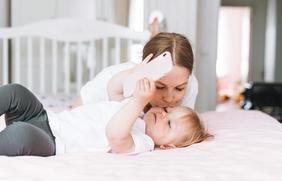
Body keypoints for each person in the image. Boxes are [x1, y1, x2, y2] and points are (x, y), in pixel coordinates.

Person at [0, 80, 210, 156]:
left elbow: (115, 135)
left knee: (21, 134)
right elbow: (116, 86)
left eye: (170, 123)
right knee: (16, 92)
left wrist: (138, 101)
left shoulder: (143, 142)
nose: (164, 114)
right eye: (169, 110)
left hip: (52, 141)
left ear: (167, 146)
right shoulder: (134, 111)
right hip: (47, 118)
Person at [72, 32, 198, 111]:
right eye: (159, 87)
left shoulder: (190, 84)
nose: (170, 99)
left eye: (179, 89)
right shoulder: (117, 81)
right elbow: (74, 115)